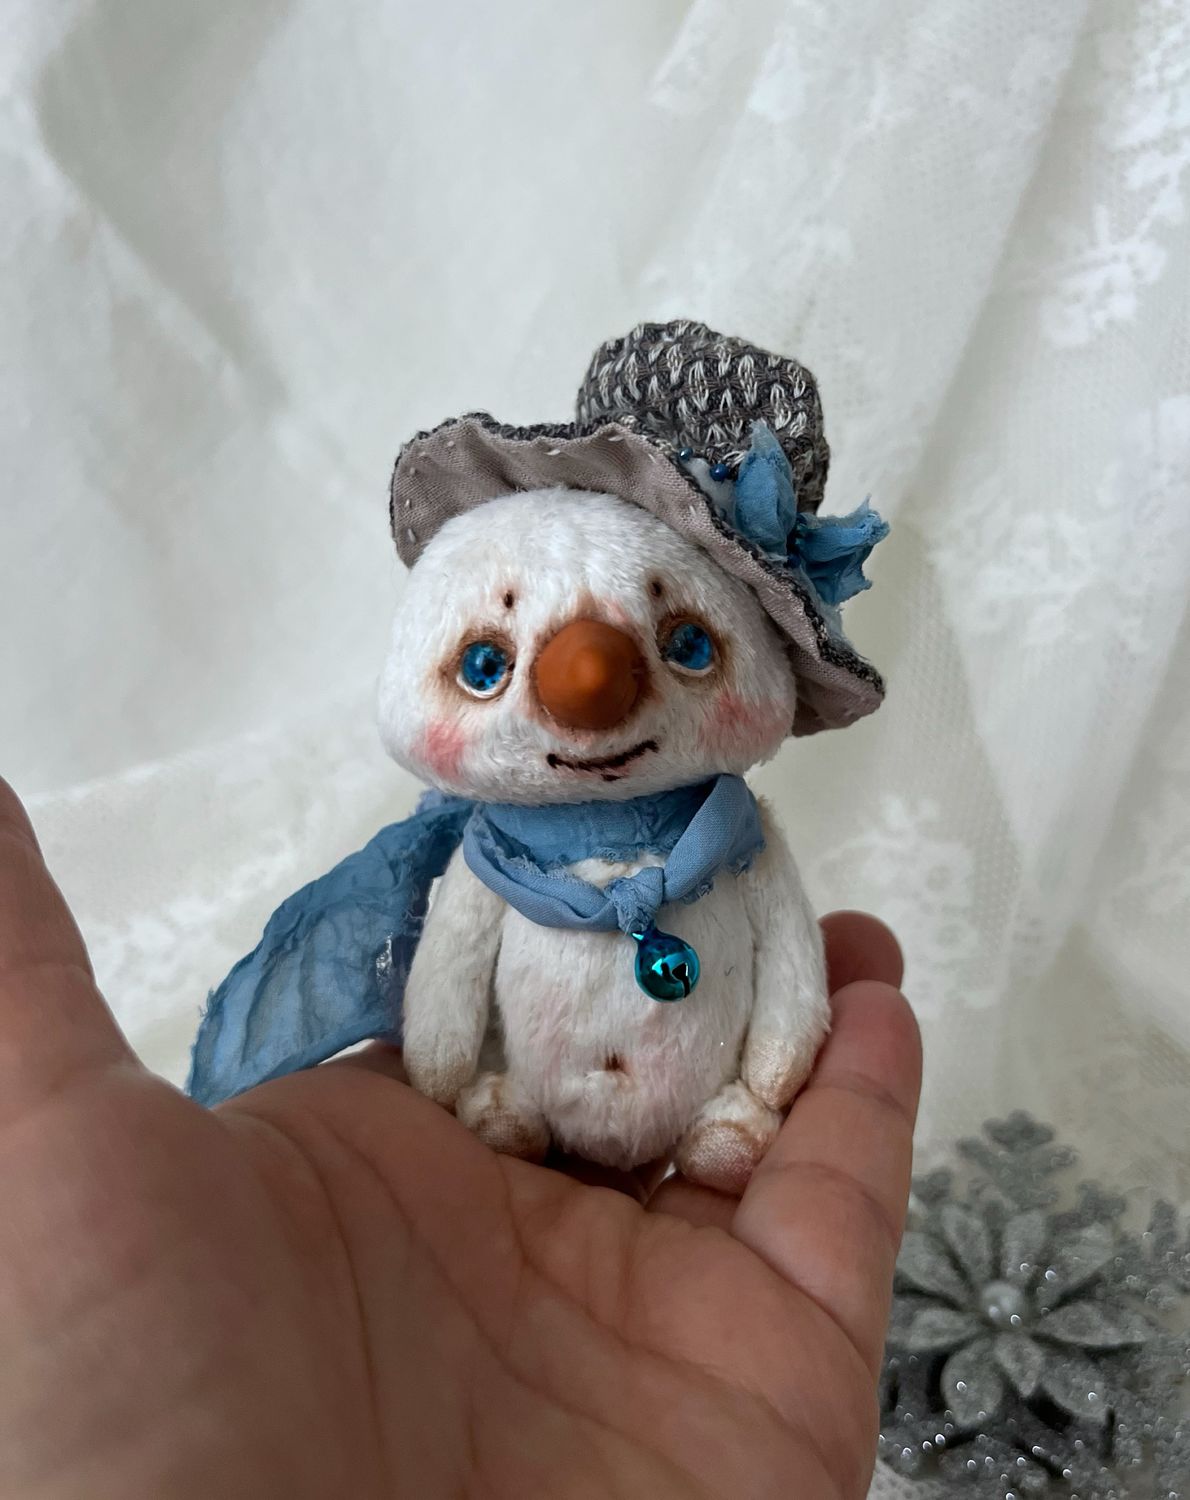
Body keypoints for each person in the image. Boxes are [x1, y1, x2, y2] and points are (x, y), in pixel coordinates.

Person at [0, 776, 920, 1499]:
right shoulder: (496, 852)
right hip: (535, 1108)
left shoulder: (737, 840)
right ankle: (515, 1110)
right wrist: (440, 1067)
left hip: (694, 1109)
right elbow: (455, 956)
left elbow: (789, 955)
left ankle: (725, 1116)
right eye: (488, 665)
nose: (587, 680)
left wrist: (769, 1076)